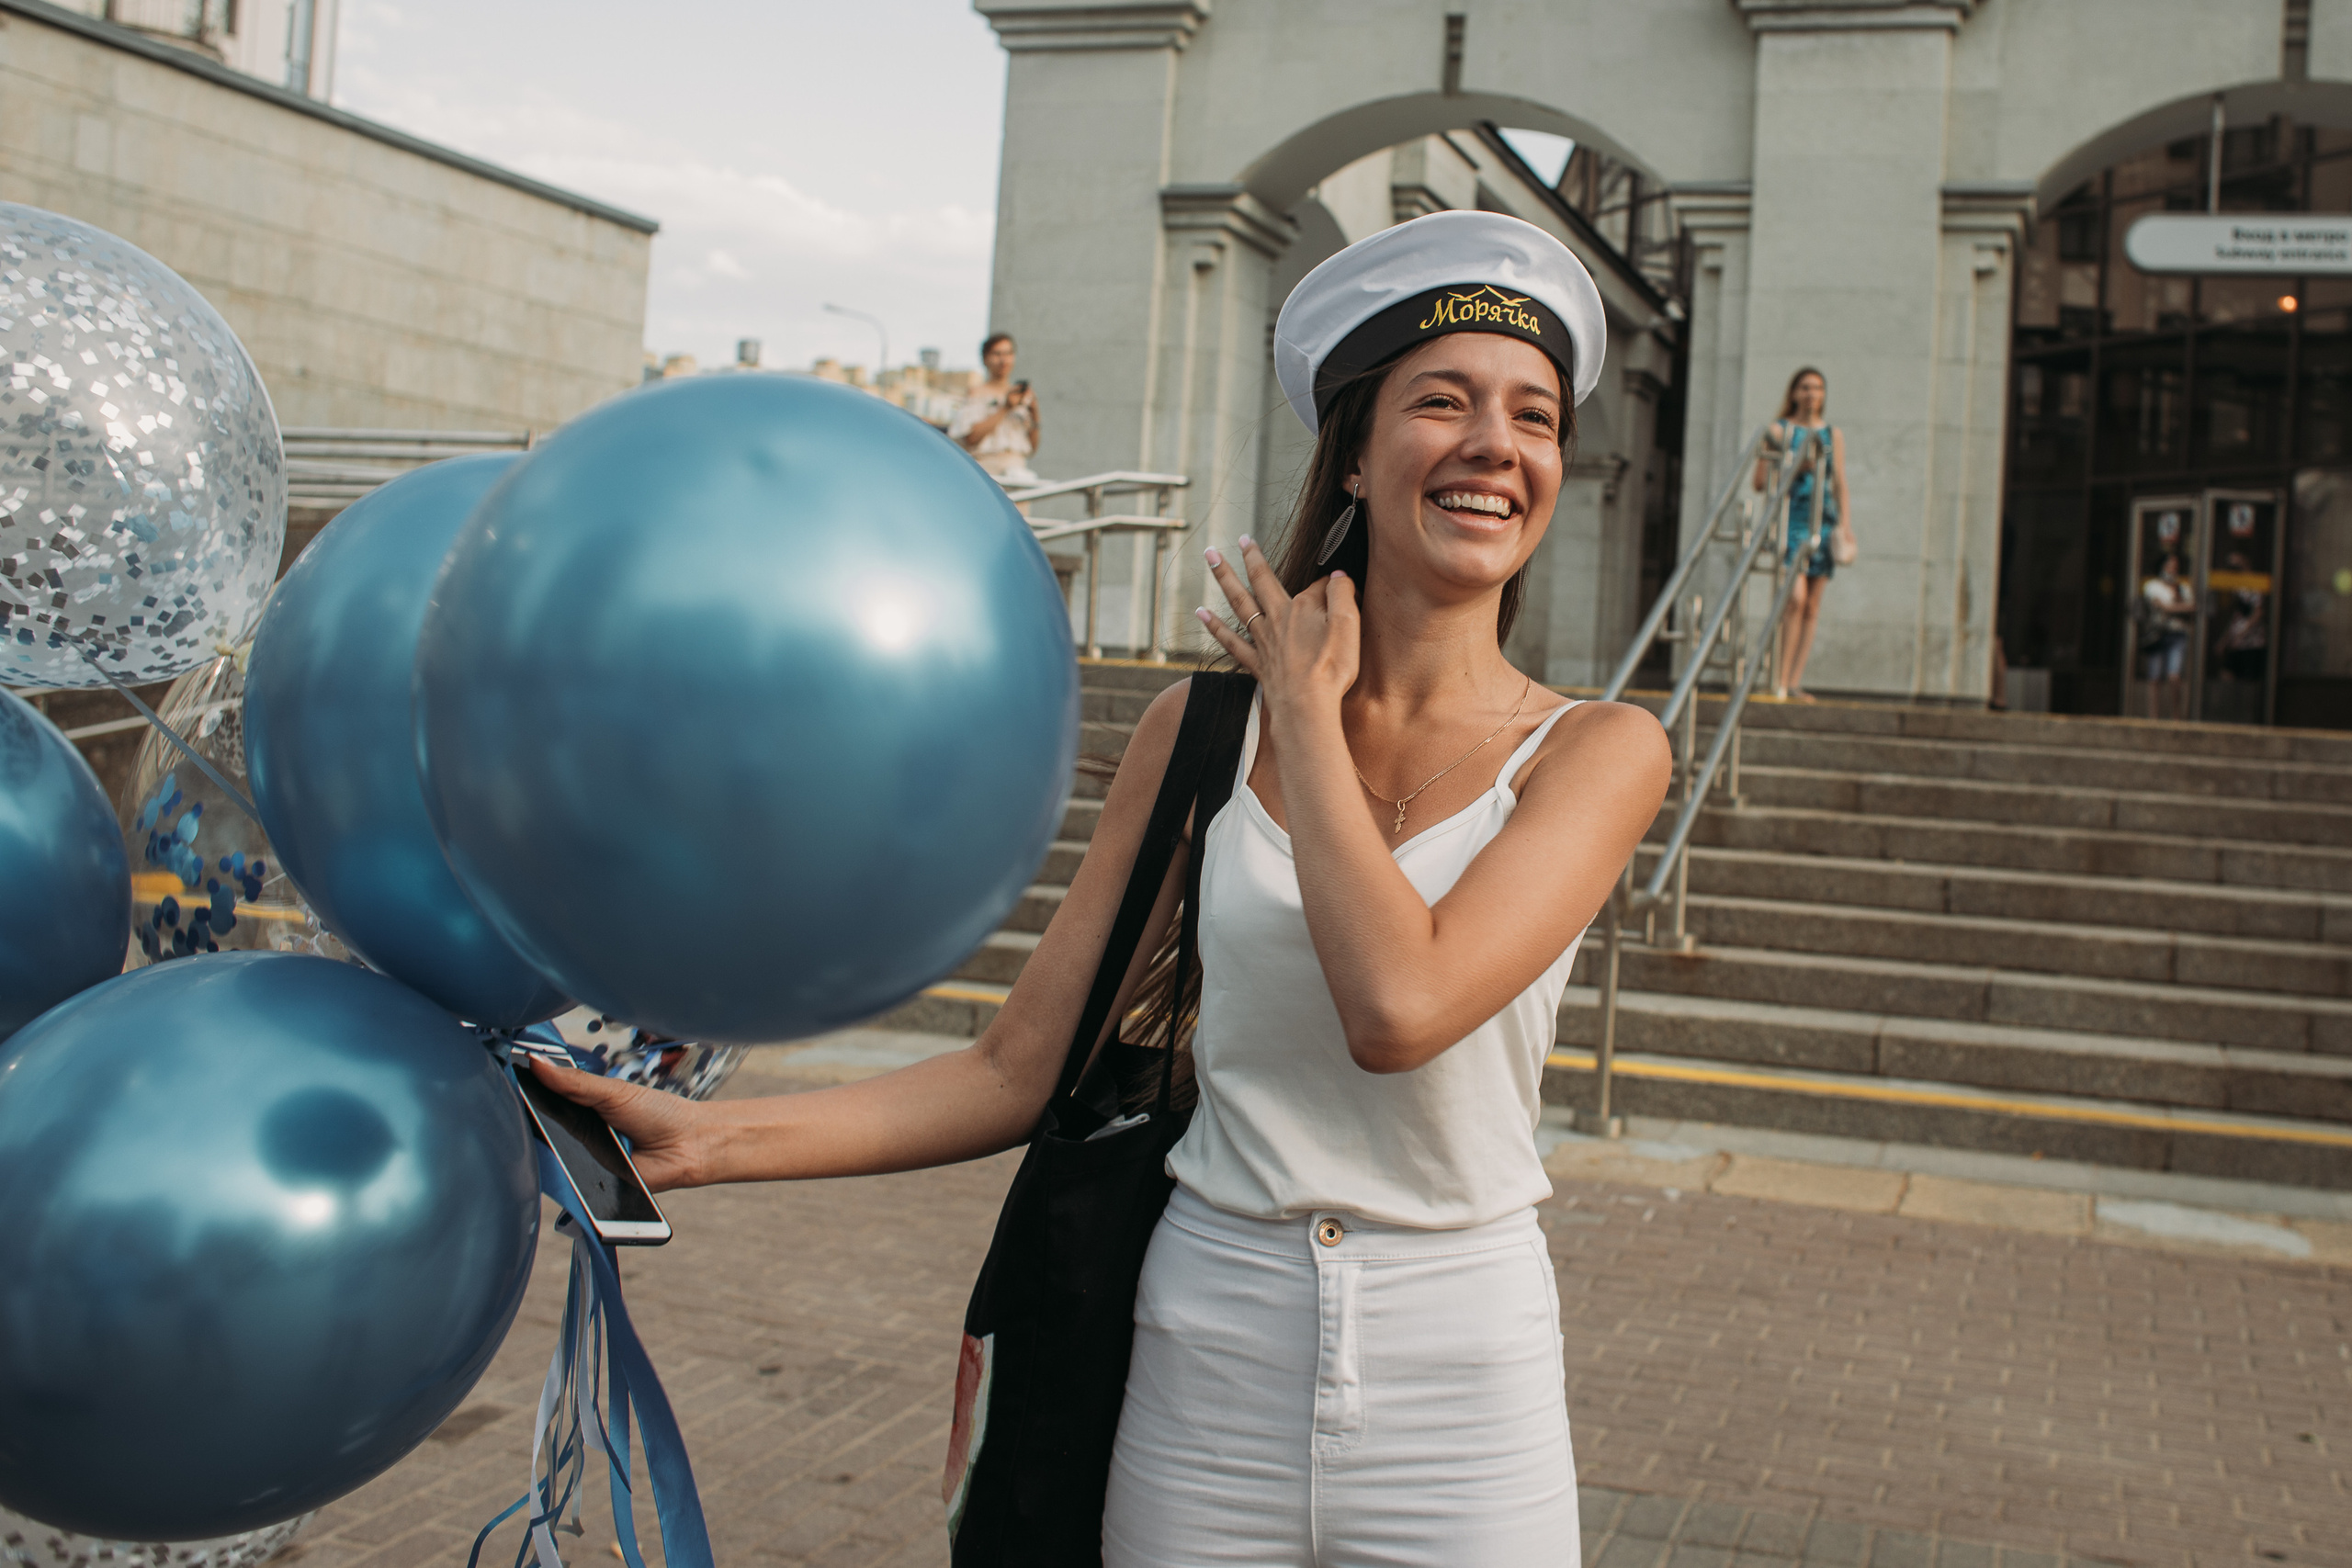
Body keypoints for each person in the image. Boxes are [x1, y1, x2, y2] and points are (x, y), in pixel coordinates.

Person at [533, 210, 1670, 1566]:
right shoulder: (1198, 734)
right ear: (1356, 455)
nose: (1498, 443)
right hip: (1205, 1358)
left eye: (1534, 417)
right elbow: (1020, 1062)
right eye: (1444, 401)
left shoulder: (1598, 750)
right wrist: (707, 1141)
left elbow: (1402, 1002)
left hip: (1461, 1377)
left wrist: (1301, 719)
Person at [1754, 367, 1853, 702]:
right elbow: (1759, 481)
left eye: (1818, 388)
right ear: (1794, 392)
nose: (1812, 394)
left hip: (1823, 522)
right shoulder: (1779, 430)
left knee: (1811, 606)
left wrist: (1846, 526)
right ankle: (1778, 678)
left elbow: (1839, 482)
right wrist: (1791, 463)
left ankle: (1793, 681)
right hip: (1792, 521)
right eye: (1806, 387)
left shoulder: (1831, 434)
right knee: (1793, 599)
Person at [948, 332, 1041, 486]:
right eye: (997, 354)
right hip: (987, 472)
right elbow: (970, 438)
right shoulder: (976, 393)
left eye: (1008, 353)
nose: (1003, 360)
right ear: (985, 359)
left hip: (1018, 474)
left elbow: (1032, 448)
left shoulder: (1020, 394)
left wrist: (1034, 412)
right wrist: (1005, 408)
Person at [2140, 550, 2195, 717]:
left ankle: (2176, 714)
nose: (2172, 569)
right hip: (2157, 634)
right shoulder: (2152, 586)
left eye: (2175, 567)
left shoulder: (2182, 587)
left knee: (2174, 676)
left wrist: (2176, 598)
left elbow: (2192, 607)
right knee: (2155, 677)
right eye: (2169, 566)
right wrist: (2178, 607)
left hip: (2177, 634)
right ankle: (2153, 716)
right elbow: (2162, 606)